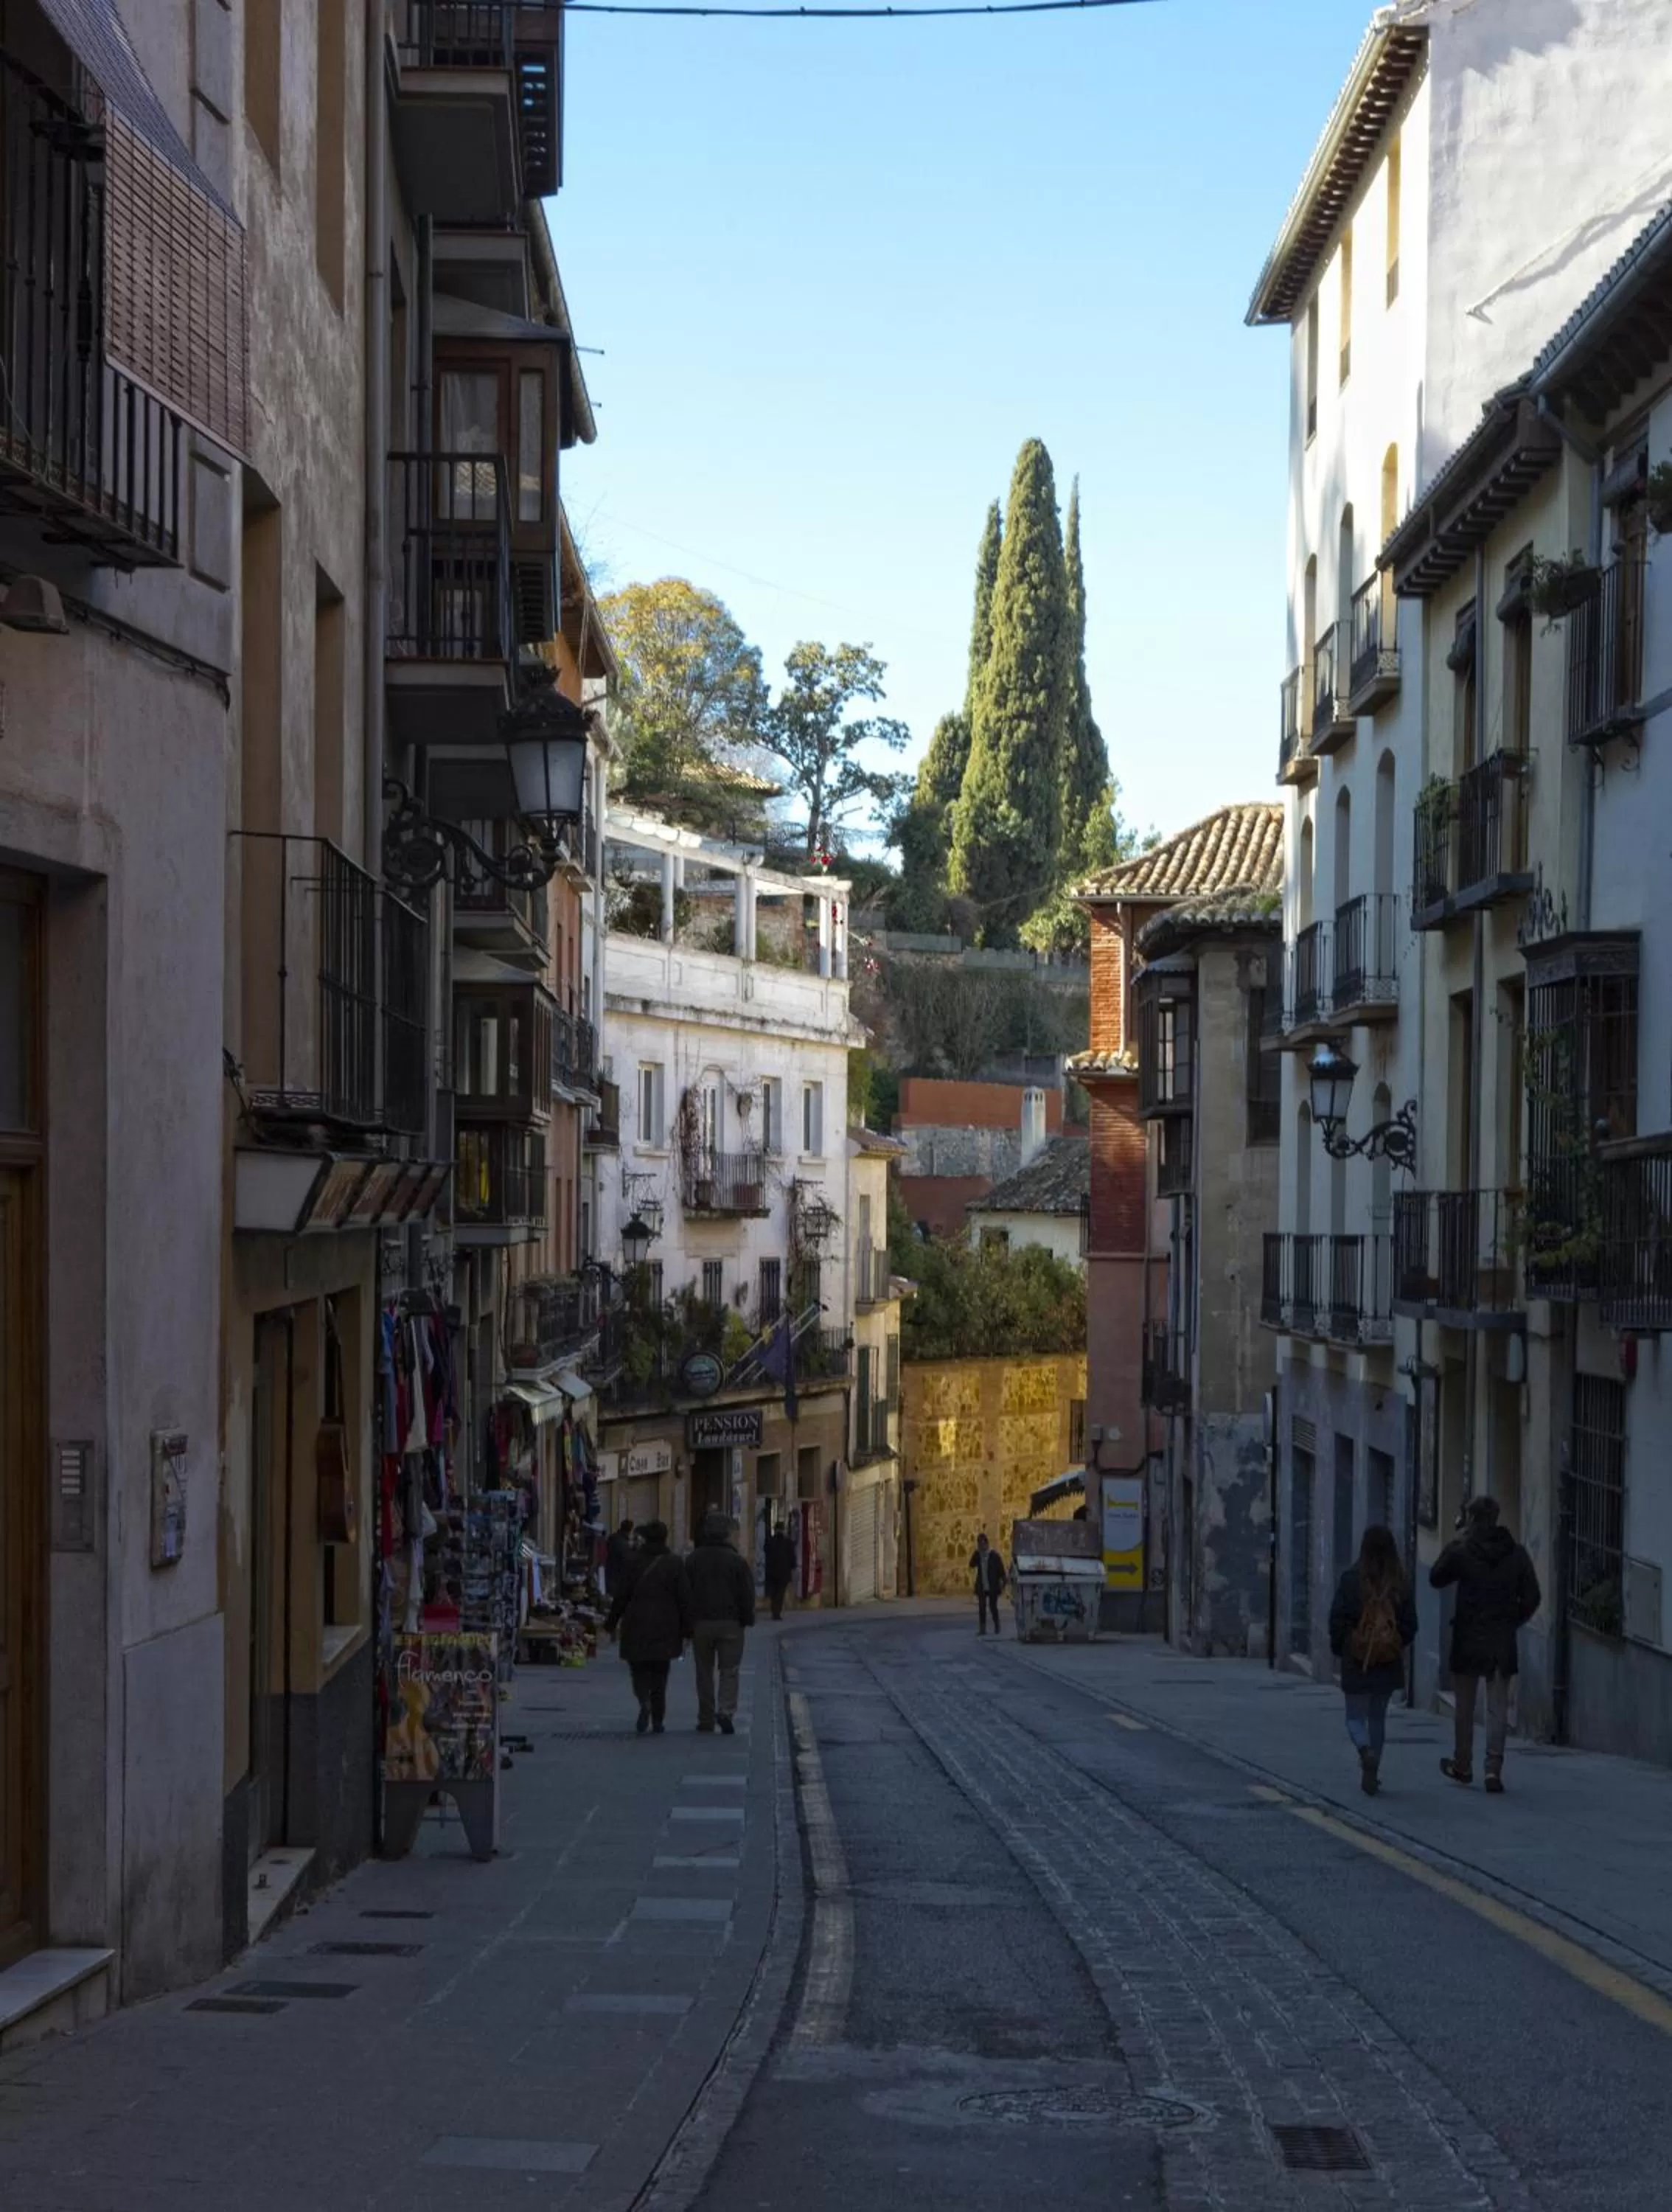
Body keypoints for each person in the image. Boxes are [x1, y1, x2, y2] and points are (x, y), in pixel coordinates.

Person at [1429, 1494, 1542, 1793]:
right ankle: (1493, 1769)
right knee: (1497, 1708)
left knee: (1464, 1707)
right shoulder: (1516, 1553)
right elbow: (1533, 1596)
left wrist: (1455, 1542)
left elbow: (1436, 1577)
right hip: (1500, 1639)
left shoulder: (1462, 1551)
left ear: (1472, 1520)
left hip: (1468, 1636)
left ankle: (1462, 1764)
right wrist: (1513, 1620)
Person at [1328, 1524, 1418, 1795]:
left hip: (1357, 1659)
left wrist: (1343, 1647)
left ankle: (1365, 1750)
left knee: (1354, 1718)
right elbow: (1410, 1625)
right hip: (1387, 1663)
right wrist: (1393, 1645)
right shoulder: (1400, 1583)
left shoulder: (1351, 1580)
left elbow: (1337, 1619)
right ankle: (1374, 1770)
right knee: (1377, 1717)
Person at [605, 1520, 693, 1736]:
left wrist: (611, 1623)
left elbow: (621, 1596)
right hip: (666, 1625)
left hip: (636, 1623)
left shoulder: (633, 1561)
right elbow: (684, 1599)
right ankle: (658, 1718)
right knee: (660, 1675)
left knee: (639, 1670)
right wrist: (687, 1629)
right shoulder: (674, 1564)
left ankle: (643, 1701)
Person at [686, 1512, 756, 1733]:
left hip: (701, 1624)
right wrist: (747, 1618)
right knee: (730, 1670)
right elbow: (747, 1594)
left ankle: (706, 1718)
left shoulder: (693, 1559)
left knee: (704, 1672)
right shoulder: (737, 1561)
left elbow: (685, 1593)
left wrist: (686, 1622)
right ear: (728, 1535)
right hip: (731, 1624)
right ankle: (726, 1711)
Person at [970, 1531, 1007, 1636]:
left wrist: (1003, 1583)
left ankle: (997, 1625)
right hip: (982, 1585)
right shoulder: (978, 1555)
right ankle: (982, 1629)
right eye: (979, 1544)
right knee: (982, 1607)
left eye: (982, 1544)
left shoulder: (994, 1556)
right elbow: (971, 1564)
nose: (980, 1547)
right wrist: (976, 1553)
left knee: (992, 1607)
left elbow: (1001, 1571)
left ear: (986, 1544)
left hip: (993, 1586)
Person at [764, 1521, 797, 1622]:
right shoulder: (788, 1542)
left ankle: (774, 1611)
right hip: (784, 1572)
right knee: (780, 1592)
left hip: (772, 1571)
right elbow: (792, 1557)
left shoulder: (770, 1541)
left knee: (774, 1592)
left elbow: (767, 1554)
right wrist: (792, 1566)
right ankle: (777, 1612)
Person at [605, 1516, 635, 1594]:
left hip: (610, 1572)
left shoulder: (613, 1538)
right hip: (617, 1577)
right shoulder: (624, 1544)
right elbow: (627, 1561)